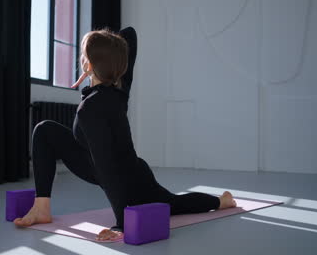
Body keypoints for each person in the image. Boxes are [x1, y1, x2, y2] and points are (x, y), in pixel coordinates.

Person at [14, 27, 237, 241]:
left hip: (130, 180)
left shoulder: (91, 108)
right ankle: (41, 207)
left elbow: (106, 167)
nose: (81, 60)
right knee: (44, 130)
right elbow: (129, 34)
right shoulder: (120, 87)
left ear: (88, 64)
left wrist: (121, 222)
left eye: (83, 56)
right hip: (108, 166)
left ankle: (222, 201)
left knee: (173, 205)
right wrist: (104, 59)